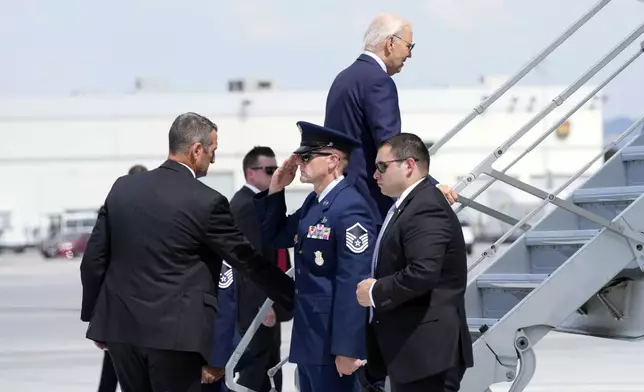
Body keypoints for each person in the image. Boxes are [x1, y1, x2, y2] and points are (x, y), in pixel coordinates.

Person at [79, 112, 294, 392]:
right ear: (196, 150)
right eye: (212, 151)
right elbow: (245, 259)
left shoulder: (123, 189)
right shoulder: (206, 201)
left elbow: (93, 260)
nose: (213, 160)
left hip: (122, 330)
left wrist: (95, 317)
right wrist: (290, 292)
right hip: (176, 338)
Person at [255, 121, 376, 392]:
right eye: (299, 156)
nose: (299, 163)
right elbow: (274, 237)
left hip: (332, 345)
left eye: (307, 157)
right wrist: (276, 189)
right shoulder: (316, 203)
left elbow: (353, 282)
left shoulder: (349, 207)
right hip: (310, 341)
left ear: (333, 161)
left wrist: (347, 349)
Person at [356, 133, 473, 392]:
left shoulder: (425, 206)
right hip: (413, 354)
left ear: (409, 165)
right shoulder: (410, 204)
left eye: (382, 167)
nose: (375, 175)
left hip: (428, 356)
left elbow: (422, 273)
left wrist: (375, 292)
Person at [323, 13, 457, 224]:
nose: (409, 55)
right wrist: (429, 186)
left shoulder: (343, 78)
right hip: (369, 205)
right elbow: (392, 145)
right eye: (409, 47)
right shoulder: (378, 81)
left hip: (339, 200)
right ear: (390, 43)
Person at [230, 146, 292, 392]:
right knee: (255, 374)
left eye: (275, 169)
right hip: (258, 308)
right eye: (268, 170)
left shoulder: (264, 202)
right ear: (250, 173)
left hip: (269, 302)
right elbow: (248, 261)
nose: (274, 174)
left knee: (270, 371)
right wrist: (262, 304)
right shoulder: (246, 206)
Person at [96, 164, 148, 392]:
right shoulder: (158, 210)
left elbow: (96, 262)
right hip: (150, 303)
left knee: (114, 361)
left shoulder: (111, 208)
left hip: (118, 302)